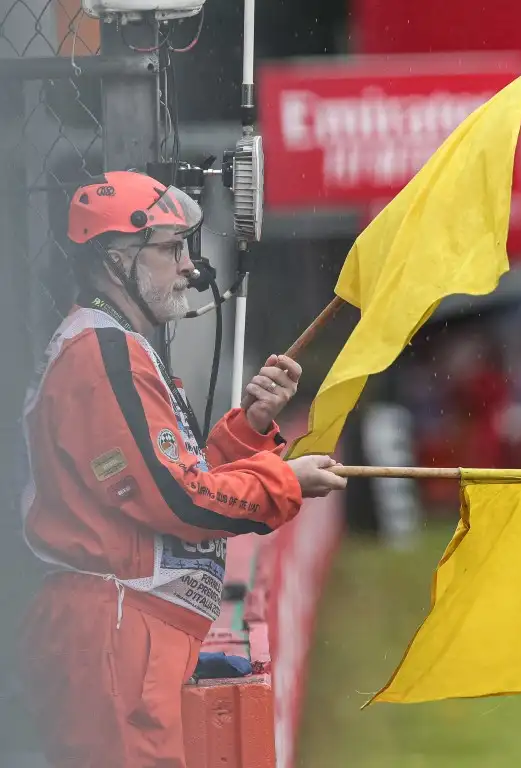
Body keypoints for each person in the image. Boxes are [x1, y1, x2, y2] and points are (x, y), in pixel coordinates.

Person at [15, 170, 347, 767]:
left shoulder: (119, 346)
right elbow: (179, 499)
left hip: (125, 639)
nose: (190, 266)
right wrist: (285, 482)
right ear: (116, 262)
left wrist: (248, 428)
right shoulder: (102, 352)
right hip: (114, 643)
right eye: (170, 249)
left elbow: (167, 482)